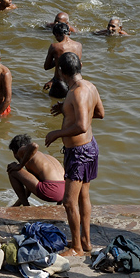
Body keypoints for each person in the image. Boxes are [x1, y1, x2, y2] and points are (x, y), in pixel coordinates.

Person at [45, 52, 104, 257]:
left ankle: (77, 247)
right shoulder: (90, 86)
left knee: (70, 201)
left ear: (60, 71)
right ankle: (85, 242)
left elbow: (82, 125)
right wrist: (66, 109)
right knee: (83, 196)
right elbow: (99, 113)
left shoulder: (76, 93)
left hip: (78, 152)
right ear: (81, 65)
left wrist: (57, 133)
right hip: (90, 147)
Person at [7, 134, 65, 206]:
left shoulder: (21, 151)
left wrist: (20, 165)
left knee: (12, 169)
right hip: (65, 193)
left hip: (51, 190)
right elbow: (29, 188)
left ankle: (26, 207)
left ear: (14, 151)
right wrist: (16, 205)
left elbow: (34, 146)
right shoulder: (45, 157)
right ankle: (22, 206)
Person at [43, 23, 82, 98]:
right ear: (69, 33)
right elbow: (74, 66)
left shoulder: (54, 46)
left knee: (55, 107)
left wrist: (58, 60)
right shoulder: (78, 45)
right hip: (75, 83)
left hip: (60, 84)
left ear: (56, 35)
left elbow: (46, 66)